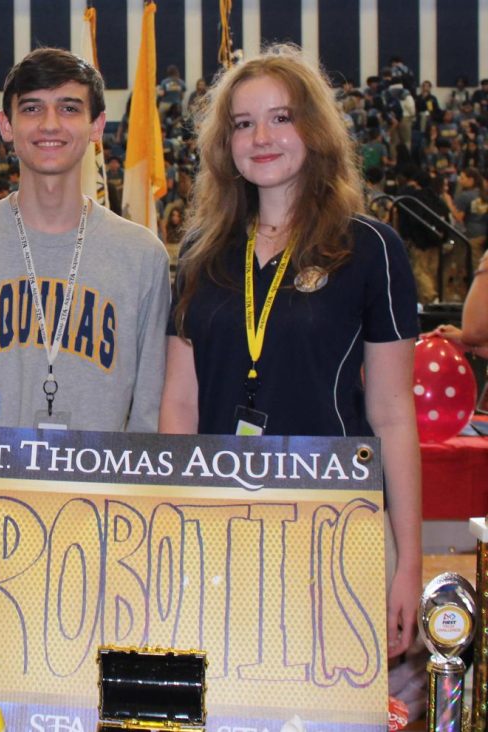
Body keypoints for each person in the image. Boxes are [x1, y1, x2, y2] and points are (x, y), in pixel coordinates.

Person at [157, 45, 420, 660]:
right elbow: (180, 401)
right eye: (243, 124)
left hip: (335, 521)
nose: (262, 137)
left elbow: (392, 414)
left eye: (281, 117)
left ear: (315, 129)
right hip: (218, 523)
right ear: (226, 143)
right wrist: (174, 519)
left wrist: (408, 562)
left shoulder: (371, 249)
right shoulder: (201, 252)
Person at [0, 48, 169, 556]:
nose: (50, 123)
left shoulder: (142, 255)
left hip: (100, 516)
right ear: (6, 125)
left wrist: (144, 509)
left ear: (97, 126)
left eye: (69, 108)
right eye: (31, 108)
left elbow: (150, 408)